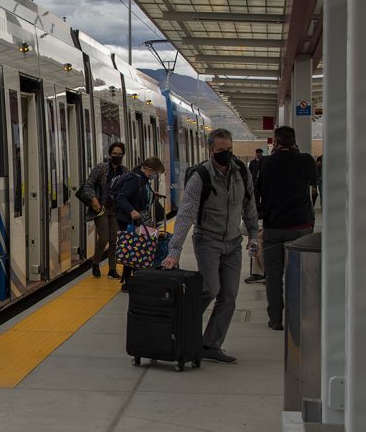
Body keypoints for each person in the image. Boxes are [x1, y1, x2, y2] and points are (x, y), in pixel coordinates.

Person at [160, 128, 259, 364]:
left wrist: (254, 235)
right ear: (210, 150)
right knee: (211, 289)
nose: (226, 155)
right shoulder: (200, 176)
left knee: (229, 296)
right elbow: (185, 215)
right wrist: (174, 251)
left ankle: (210, 344)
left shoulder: (242, 174)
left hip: (233, 243)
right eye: (221, 151)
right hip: (208, 241)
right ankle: (182, 327)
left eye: (230, 150)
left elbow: (249, 205)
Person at [256, 126, 317, 331]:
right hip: (301, 227)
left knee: (273, 277)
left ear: (275, 141)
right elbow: (314, 181)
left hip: (273, 227)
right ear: (294, 141)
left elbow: (260, 192)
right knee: (299, 275)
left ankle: (275, 319)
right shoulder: (306, 160)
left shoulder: (265, 163)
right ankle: (298, 318)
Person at [112, 156, 165, 289]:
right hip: (129, 219)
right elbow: (121, 197)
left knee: (136, 248)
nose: (155, 176)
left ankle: (132, 280)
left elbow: (138, 194)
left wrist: (152, 195)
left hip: (137, 218)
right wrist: (131, 211)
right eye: (155, 173)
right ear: (148, 169)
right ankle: (128, 282)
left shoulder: (142, 178)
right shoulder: (134, 179)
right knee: (133, 248)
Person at [79, 142, 127, 279]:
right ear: (109, 154)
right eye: (114, 154)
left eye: (119, 154)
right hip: (101, 209)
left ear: (123, 155)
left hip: (116, 210)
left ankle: (112, 268)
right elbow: (88, 185)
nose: (117, 156)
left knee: (114, 239)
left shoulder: (124, 171)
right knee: (104, 238)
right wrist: (93, 199)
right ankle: (95, 262)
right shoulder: (101, 168)